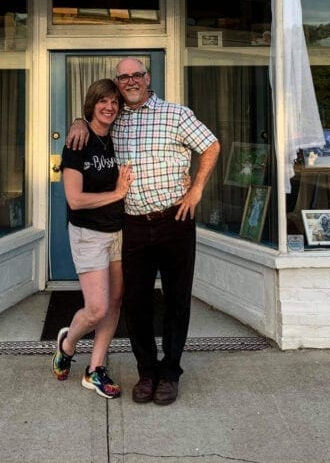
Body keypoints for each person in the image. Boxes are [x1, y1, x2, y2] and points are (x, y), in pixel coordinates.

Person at [67, 58, 220, 406]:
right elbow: (95, 121)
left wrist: (196, 191)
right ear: (118, 84)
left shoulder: (175, 114)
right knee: (136, 303)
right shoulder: (115, 117)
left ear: (148, 78)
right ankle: (147, 372)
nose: (131, 81)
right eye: (124, 77)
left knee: (176, 300)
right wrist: (78, 120)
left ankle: (170, 373)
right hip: (133, 224)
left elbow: (211, 145)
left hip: (174, 220)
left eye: (137, 75)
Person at [52, 79, 134, 399]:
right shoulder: (77, 142)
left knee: (114, 301)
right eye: (103, 101)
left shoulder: (118, 138)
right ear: (92, 103)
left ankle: (95, 369)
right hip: (88, 234)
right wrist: (117, 193)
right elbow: (74, 200)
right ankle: (68, 344)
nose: (109, 107)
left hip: (119, 231)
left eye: (115, 102)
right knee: (97, 308)